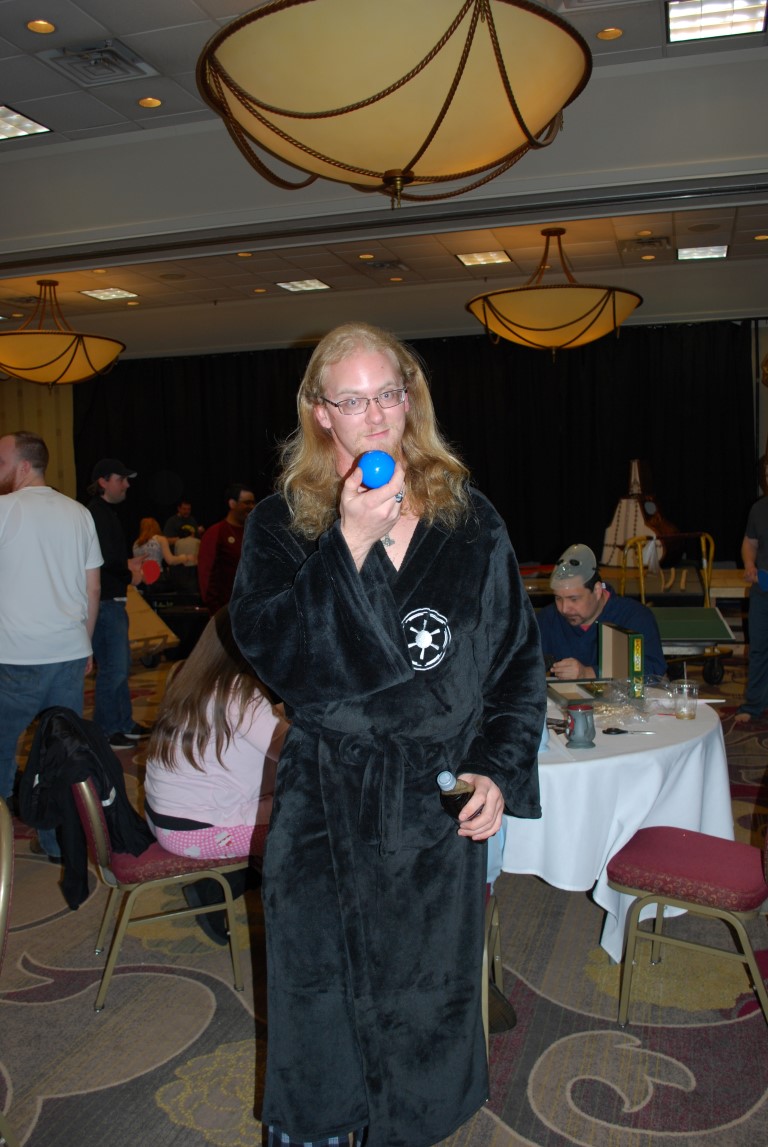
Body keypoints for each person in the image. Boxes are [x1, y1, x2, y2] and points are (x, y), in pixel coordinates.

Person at [229, 321, 544, 1147]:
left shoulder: (470, 520)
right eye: (352, 399)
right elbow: (276, 654)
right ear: (320, 410)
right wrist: (350, 542)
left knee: (428, 1007)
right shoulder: (282, 524)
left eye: (388, 395)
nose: (374, 416)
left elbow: (516, 660)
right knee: (321, 1013)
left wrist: (498, 768)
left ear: (411, 400)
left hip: (435, 808)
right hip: (327, 804)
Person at [143, 607, 288, 941]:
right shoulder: (239, 693)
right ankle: (219, 889)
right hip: (197, 832)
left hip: (166, 818)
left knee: (280, 799)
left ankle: (225, 884)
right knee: (308, 821)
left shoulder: (190, 678)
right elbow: (288, 749)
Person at [0, 431, 102, 858]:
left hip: (14, 655)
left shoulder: (4, 510)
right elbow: (92, 588)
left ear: (24, 466)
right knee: (58, 750)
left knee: (2, 749)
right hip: (69, 652)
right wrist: (86, 645)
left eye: (1, 461)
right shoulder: (79, 513)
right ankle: (56, 843)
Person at [87, 458, 151, 749]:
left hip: (111, 602)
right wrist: (130, 574)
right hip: (106, 603)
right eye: (120, 479)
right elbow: (102, 561)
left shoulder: (104, 513)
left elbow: (109, 558)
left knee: (119, 668)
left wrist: (127, 564)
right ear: (103, 482)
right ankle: (107, 730)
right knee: (114, 670)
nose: (126, 484)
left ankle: (124, 723)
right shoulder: (96, 514)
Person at [537, 543, 666, 680]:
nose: (564, 608)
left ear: (597, 590)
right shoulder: (547, 619)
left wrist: (589, 673)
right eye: (558, 598)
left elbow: (652, 670)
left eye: (574, 599)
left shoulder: (634, 617)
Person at [197, 483, 256, 614]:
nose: (252, 507)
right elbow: (206, 575)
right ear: (232, 504)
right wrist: (216, 611)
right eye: (247, 503)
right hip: (225, 610)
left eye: (253, 502)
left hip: (252, 609)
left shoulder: (255, 532)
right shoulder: (216, 532)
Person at [735, 493, 768, 723]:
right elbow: (750, 542)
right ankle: (754, 704)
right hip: (762, 593)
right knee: (758, 650)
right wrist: (749, 564)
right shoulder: (759, 509)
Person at [132, 517, 195, 583]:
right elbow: (170, 560)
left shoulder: (136, 543)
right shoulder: (160, 539)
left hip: (141, 579)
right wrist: (185, 558)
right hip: (157, 577)